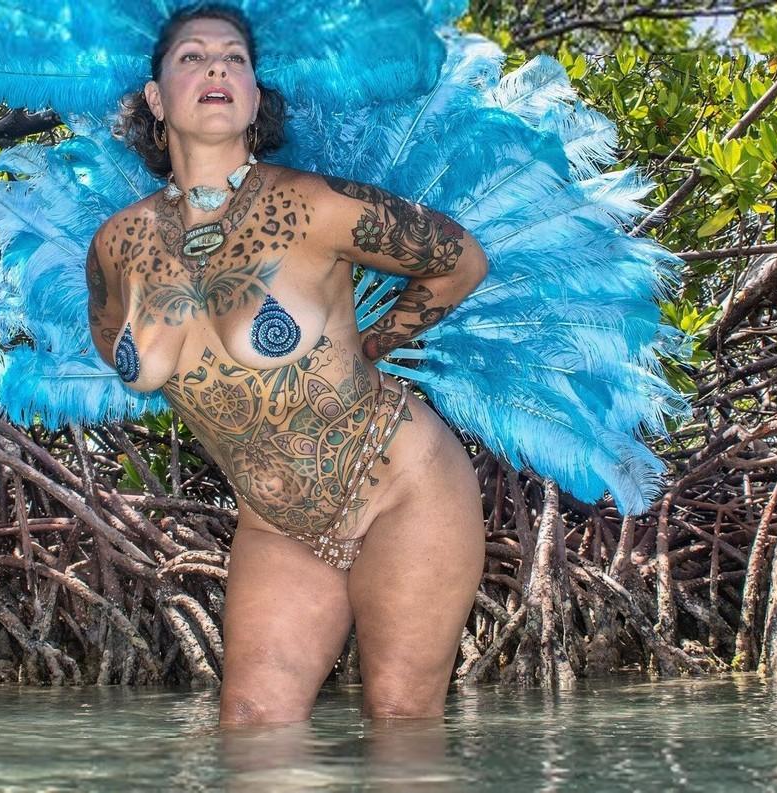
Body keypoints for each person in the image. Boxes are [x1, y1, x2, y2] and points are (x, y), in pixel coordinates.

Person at [85, 4, 489, 725]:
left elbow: (461, 261)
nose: (216, 65)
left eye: (235, 58)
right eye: (191, 56)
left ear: (254, 96)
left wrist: (377, 342)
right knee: (251, 728)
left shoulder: (315, 205)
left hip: (402, 486)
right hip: (276, 524)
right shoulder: (116, 245)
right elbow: (111, 341)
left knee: (400, 718)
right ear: (155, 98)